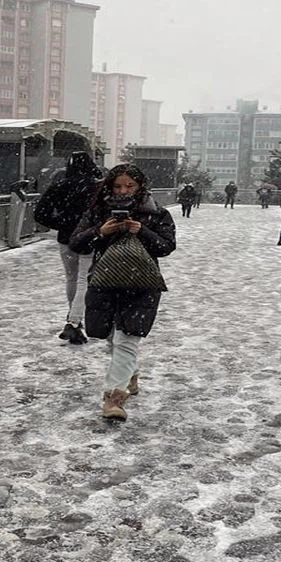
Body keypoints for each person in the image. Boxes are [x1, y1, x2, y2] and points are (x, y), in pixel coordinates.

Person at [69, 164, 176, 420]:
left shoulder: (155, 212)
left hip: (142, 284)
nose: (123, 191)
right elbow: (76, 243)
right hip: (105, 282)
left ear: (140, 186)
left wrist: (143, 231)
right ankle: (130, 373)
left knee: (126, 339)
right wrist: (100, 231)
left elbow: (166, 246)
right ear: (109, 186)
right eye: (118, 186)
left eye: (130, 185)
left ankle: (114, 399)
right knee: (109, 337)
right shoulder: (97, 212)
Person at [32, 151, 103, 345]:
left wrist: (62, 223)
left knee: (71, 278)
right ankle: (74, 321)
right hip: (90, 237)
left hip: (66, 239)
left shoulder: (60, 185)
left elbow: (40, 213)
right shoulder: (97, 187)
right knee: (84, 279)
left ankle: (74, 319)